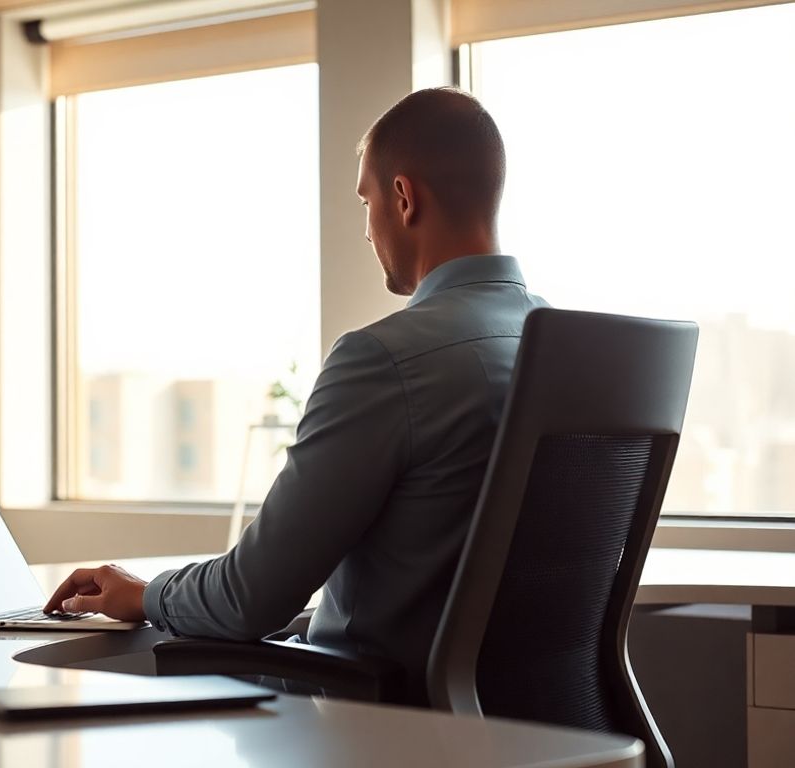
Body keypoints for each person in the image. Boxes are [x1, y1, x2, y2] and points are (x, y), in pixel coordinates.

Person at [44, 87, 549, 698]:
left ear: (403, 197)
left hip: (379, 730)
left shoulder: (386, 359)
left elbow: (247, 598)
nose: (367, 230)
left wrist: (142, 594)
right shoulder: (572, 348)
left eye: (367, 201)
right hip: (535, 726)